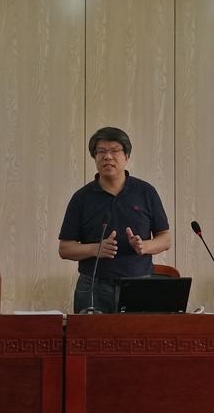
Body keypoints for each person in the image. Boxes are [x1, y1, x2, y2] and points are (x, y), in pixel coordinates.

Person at [58, 127, 171, 313]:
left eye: (115, 151)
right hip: (93, 287)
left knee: (138, 333)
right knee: (90, 333)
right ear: (94, 157)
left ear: (126, 156)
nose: (108, 157)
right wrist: (95, 249)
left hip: (138, 284)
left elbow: (165, 238)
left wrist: (144, 246)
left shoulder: (146, 192)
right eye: (101, 151)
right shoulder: (82, 198)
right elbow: (64, 248)